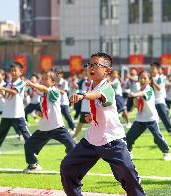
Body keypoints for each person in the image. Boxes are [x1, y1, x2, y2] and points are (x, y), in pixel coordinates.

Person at [60, 52, 145, 196]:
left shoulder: (107, 88)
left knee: (127, 174)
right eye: (89, 64)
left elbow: (99, 95)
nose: (91, 68)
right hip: (91, 141)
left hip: (112, 141)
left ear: (107, 70)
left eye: (96, 65)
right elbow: (98, 106)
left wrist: (82, 96)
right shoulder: (91, 86)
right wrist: (91, 118)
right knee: (68, 167)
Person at [23, 71, 75, 172]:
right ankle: (33, 165)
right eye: (42, 78)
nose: (43, 81)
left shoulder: (54, 91)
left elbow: (45, 89)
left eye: (46, 78)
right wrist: (41, 114)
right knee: (28, 144)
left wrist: (33, 84)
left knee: (72, 146)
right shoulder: (43, 96)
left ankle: (74, 164)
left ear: (53, 82)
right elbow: (46, 110)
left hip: (57, 127)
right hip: (44, 128)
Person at [126, 71, 171, 161]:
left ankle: (166, 152)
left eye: (145, 78)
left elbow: (143, 94)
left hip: (151, 119)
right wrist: (134, 103)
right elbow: (137, 104)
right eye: (141, 78)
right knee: (129, 137)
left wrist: (135, 94)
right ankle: (129, 152)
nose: (142, 80)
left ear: (149, 80)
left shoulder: (149, 89)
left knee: (157, 137)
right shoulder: (139, 91)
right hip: (140, 119)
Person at [0, 62, 31, 154]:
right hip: (7, 112)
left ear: (21, 72)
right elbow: (7, 96)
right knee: (2, 131)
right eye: (12, 71)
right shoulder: (9, 83)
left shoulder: (21, 83)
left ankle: (33, 147)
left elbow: (14, 92)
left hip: (17, 113)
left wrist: (2, 88)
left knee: (24, 132)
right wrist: (1, 92)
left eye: (15, 71)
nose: (13, 73)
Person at [150, 62, 171, 136]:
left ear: (158, 70)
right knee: (150, 118)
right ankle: (155, 132)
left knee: (163, 116)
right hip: (151, 101)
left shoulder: (160, 78)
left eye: (153, 68)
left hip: (159, 100)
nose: (151, 70)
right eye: (151, 68)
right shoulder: (149, 78)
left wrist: (153, 81)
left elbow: (159, 88)